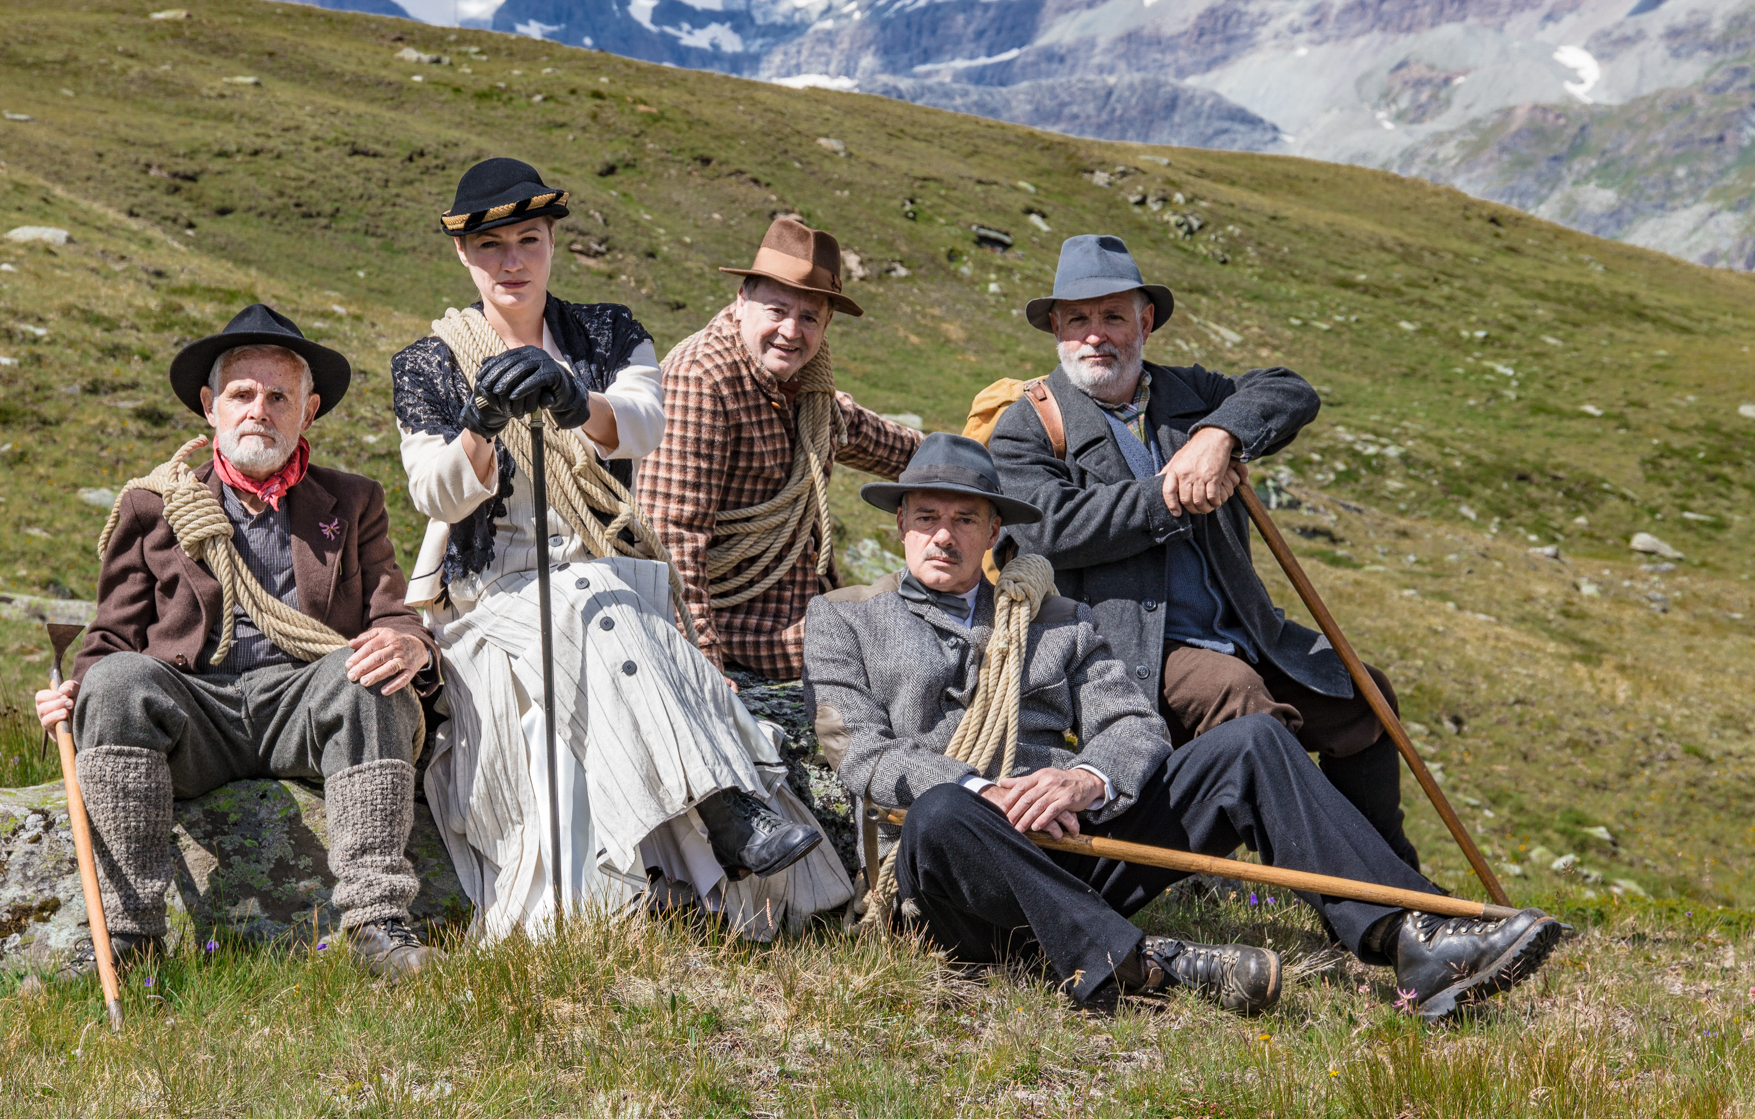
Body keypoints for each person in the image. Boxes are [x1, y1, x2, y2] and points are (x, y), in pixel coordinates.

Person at [803, 433, 1563, 1018]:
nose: (944, 535)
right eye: (928, 516)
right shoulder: (843, 620)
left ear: (996, 529)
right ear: (900, 522)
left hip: (1074, 842)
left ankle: (1411, 942)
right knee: (942, 811)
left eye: (965, 518)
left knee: (1253, 743)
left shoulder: (1059, 621)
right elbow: (859, 751)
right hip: (953, 875)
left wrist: (1082, 777)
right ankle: (1146, 959)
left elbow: (1133, 722)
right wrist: (984, 790)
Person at [391, 158, 852, 941]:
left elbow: (643, 423)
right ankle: (723, 813)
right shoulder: (428, 364)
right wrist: (483, 418)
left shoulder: (606, 331)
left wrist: (576, 398)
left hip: (605, 564)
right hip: (489, 593)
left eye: (528, 241)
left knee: (589, 602)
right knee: (583, 603)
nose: (512, 261)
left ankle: (644, 899)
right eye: (493, 246)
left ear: (551, 246)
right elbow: (435, 492)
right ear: (464, 256)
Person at [34, 303, 441, 977]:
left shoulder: (354, 501)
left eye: (280, 396)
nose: (260, 410)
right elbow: (110, 638)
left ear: (308, 412)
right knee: (115, 686)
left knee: (368, 671)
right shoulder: (152, 506)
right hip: (197, 714)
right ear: (209, 406)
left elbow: (392, 614)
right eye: (241, 393)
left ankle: (378, 926)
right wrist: (73, 697)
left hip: (303, 707)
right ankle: (129, 938)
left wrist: (408, 645)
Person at [987, 234, 1418, 868]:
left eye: (1113, 316)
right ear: (1055, 327)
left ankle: (1397, 873)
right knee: (1245, 704)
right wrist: (1169, 495)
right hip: (1125, 649)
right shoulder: (1026, 423)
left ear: (1146, 322)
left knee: (1363, 697)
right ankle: (1356, 896)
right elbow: (1050, 529)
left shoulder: (1187, 394)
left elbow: (1289, 390)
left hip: (1244, 629)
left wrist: (1221, 433)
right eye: (1078, 318)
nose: (1095, 335)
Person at [638, 217, 921, 680]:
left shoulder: (804, 384)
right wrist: (702, 675)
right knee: (907, 646)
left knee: (930, 614)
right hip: (742, 627)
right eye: (777, 310)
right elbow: (672, 543)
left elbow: (864, 434)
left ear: (827, 323)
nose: (791, 330)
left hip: (799, 609)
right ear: (743, 300)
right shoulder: (702, 381)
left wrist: (973, 465)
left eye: (809, 317)